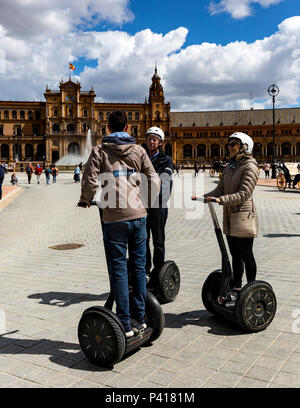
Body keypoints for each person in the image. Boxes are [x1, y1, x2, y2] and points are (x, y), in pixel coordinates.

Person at [78, 111, 160, 338]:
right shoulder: (139, 150)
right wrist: (147, 201)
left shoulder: (100, 151)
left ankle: (124, 323)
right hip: (139, 216)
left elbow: (89, 180)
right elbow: (154, 179)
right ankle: (141, 319)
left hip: (114, 218)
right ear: (127, 127)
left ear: (107, 127)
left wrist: (86, 200)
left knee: (119, 270)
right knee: (139, 267)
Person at [205, 132, 259, 306]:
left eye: (233, 143)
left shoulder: (250, 166)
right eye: (229, 143)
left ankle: (252, 288)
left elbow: (245, 193)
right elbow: (221, 189)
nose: (229, 146)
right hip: (229, 215)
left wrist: (222, 200)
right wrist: (206, 196)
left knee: (246, 255)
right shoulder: (230, 166)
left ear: (244, 147)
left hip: (243, 216)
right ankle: (237, 288)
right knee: (235, 255)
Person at [144, 126, 173, 288]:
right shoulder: (142, 157)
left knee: (158, 240)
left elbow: (165, 181)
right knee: (143, 239)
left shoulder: (165, 160)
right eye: (149, 138)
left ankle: (159, 271)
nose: (151, 141)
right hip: (143, 206)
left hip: (158, 206)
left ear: (160, 142)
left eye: (154, 139)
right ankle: (146, 270)